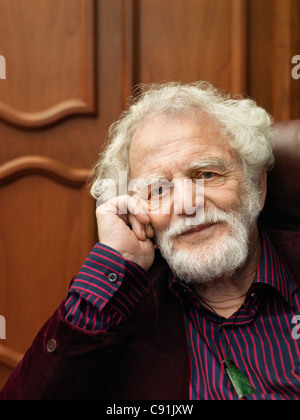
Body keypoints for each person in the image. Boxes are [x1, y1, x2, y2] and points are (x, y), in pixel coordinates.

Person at [1, 81, 300, 400]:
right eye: (158, 190)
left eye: (207, 175)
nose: (186, 204)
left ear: (257, 185)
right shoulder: (119, 311)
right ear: (137, 211)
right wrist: (115, 264)